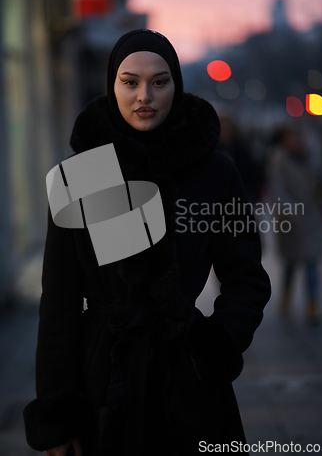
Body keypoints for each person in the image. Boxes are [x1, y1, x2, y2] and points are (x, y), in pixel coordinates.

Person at [23, 29, 271, 456]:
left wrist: (216, 344)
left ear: (176, 82)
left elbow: (246, 276)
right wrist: (56, 414)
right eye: (130, 81)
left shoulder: (213, 172)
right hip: (102, 380)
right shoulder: (80, 175)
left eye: (159, 81)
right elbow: (59, 304)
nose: (145, 96)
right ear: (111, 85)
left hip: (192, 382)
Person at [269, 125, 322, 325]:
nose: (296, 142)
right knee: (291, 263)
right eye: (292, 138)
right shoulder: (279, 160)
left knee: (312, 261)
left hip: (312, 215)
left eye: (298, 138)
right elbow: (277, 188)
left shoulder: (313, 156)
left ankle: (313, 304)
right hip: (290, 219)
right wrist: (289, 208)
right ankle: (286, 296)